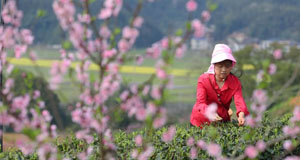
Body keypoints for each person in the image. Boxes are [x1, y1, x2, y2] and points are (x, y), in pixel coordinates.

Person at [190, 44, 250, 127]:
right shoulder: (203, 80)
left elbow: (239, 101)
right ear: (214, 65)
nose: (224, 70)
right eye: (220, 66)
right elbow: (200, 103)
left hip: (221, 120)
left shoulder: (235, 82)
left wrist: (241, 115)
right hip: (200, 121)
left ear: (231, 66)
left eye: (227, 66)